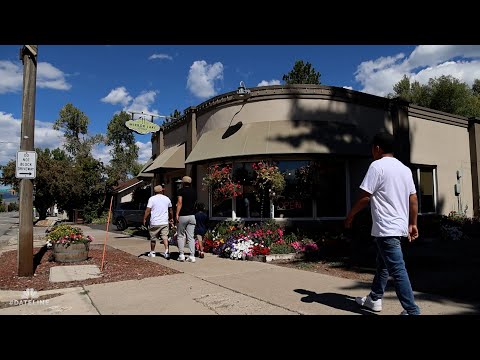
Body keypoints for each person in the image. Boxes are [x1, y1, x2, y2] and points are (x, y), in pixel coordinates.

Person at [345, 132, 421, 315]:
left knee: (397, 269)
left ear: (377, 148)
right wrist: (413, 223)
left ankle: (412, 311)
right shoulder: (404, 169)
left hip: (386, 229)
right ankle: (374, 299)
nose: (372, 151)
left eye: (373, 148)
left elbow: (365, 197)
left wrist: (350, 216)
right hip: (398, 228)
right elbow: (413, 199)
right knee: (383, 265)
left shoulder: (377, 166)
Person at [143, 185, 174, 259]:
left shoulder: (152, 199)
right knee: (165, 237)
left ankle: (152, 252)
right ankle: (166, 251)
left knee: (153, 237)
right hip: (164, 221)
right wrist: (171, 218)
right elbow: (170, 210)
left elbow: (148, 210)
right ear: (161, 191)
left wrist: (144, 218)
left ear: (155, 191)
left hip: (154, 221)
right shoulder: (167, 199)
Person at [176, 176, 197, 262]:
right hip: (192, 215)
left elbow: (180, 202)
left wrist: (177, 214)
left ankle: (181, 255)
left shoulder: (181, 191)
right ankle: (192, 256)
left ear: (183, 183)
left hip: (183, 215)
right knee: (191, 237)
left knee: (180, 235)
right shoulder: (194, 192)